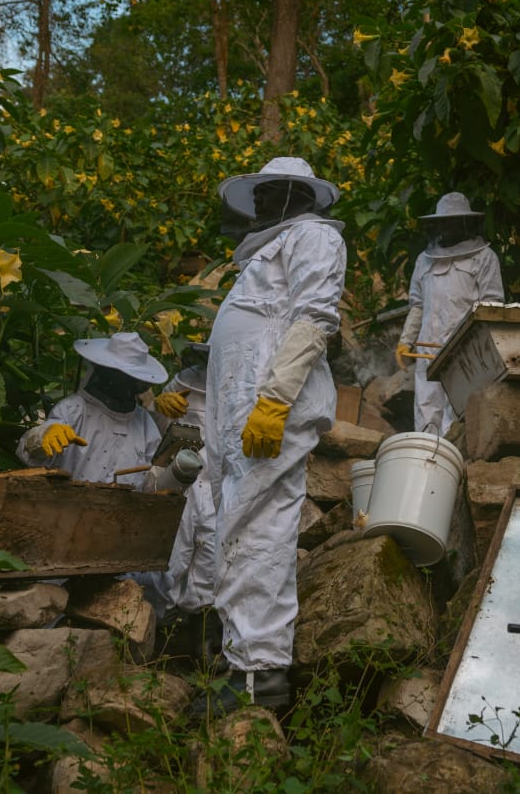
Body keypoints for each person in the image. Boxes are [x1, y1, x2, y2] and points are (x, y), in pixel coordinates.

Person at [198, 156, 345, 713]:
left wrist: (276, 399)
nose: (257, 205)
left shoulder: (313, 236)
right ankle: (239, 656)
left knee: (260, 531)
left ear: (291, 195)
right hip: (241, 414)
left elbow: (314, 318)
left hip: (268, 409)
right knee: (235, 524)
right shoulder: (267, 253)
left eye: (266, 196)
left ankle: (259, 676)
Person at [17, 331, 203, 493]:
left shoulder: (144, 422)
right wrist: (42, 436)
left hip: (120, 522)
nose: (122, 383)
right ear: (103, 370)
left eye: (129, 378)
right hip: (66, 512)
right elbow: (29, 455)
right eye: (118, 375)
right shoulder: (73, 409)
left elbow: (150, 486)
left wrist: (179, 472)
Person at [396, 192, 503, 435]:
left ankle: (462, 471)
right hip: (427, 351)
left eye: (454, 220)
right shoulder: (424, 261)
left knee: (460, 417)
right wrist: (405, 341)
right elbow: (417, 304)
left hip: (465, 352)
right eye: (444, 221)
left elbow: (493, 307)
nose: (448, 226)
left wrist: (485, 350)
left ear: (466, 222)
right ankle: (428, 469)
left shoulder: (484, 257)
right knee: (426, 414)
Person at [148, 342, 219, 627]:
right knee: (174, 550)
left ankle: (200, 623)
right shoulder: (185, 378)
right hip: (180, 476)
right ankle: (160, 621)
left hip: (218, 482)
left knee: (213, 550)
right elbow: (154, 430)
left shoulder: (248, 381)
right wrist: (159, 406)